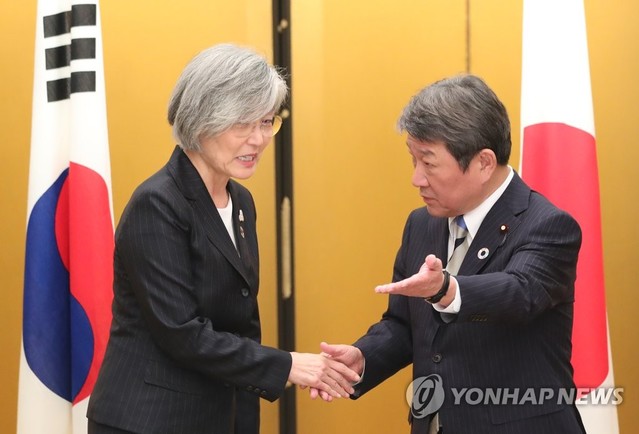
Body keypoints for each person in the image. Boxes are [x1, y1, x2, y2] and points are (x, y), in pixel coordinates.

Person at [87, 44, 359, 434]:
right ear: (200, 121)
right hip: (149, 419)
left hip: (220, 414)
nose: (259, 139)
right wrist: (288, 365)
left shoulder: (241, 201)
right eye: (242, 124)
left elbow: (239, 320)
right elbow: (181, 333)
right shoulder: (158, 203)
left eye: (266, 122)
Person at [313, 74, 586, 433]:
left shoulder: (547, 225)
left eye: (429, 162)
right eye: (413, 160)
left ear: (484, 163)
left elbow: (519, 293)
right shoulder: (422, 224)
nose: (417, 179)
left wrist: (446, 289)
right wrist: (363, 358)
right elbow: (405, 325)